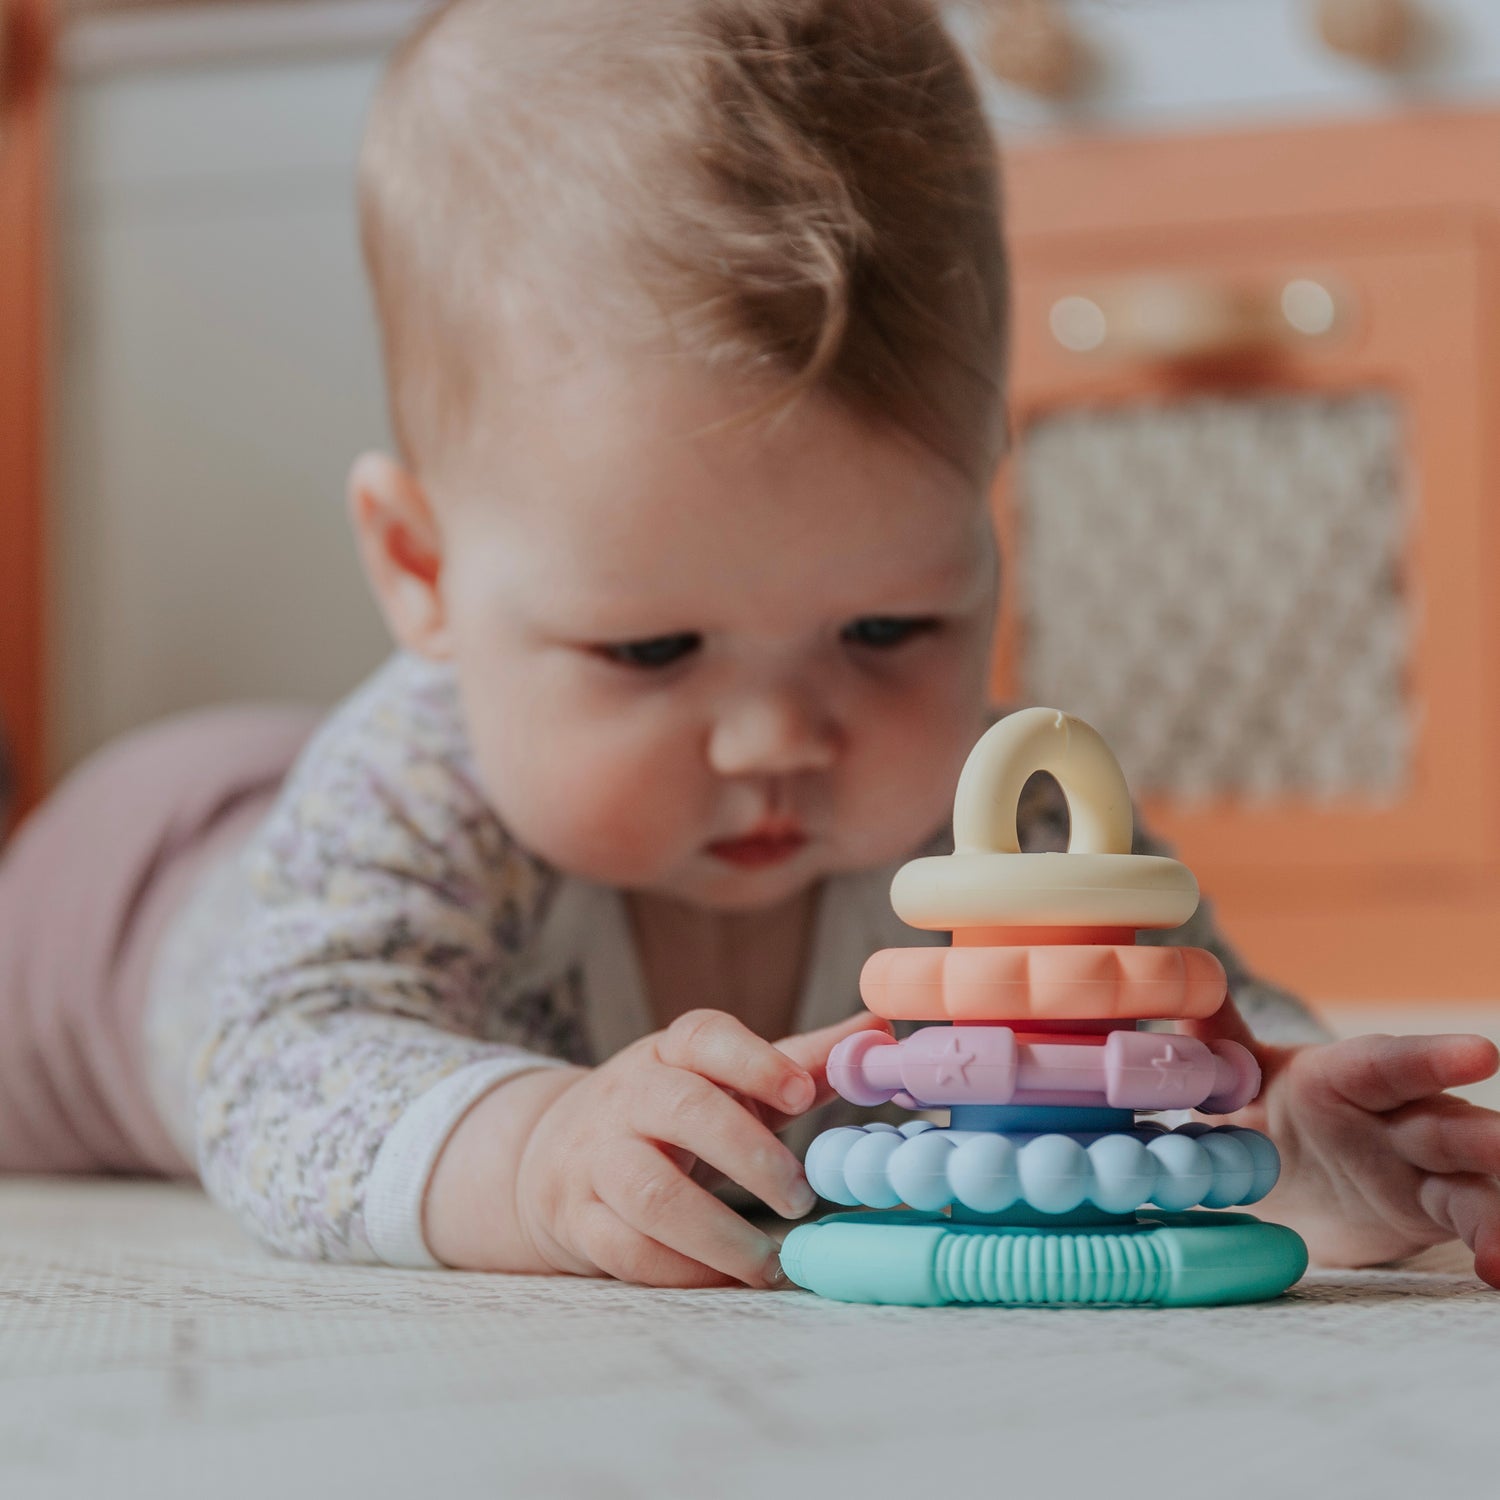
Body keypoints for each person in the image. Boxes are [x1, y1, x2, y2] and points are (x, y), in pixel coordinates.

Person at [2, 0, 1497, 1290]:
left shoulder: (1001, 814)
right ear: (423, 568)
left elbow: (1139, 1066)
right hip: (114, 898)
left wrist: (1278, 1146)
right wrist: (534, 1152)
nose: (779, 734)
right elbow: (274, 1075)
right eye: (652, 648)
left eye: (887, 626)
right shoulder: (412, 786)